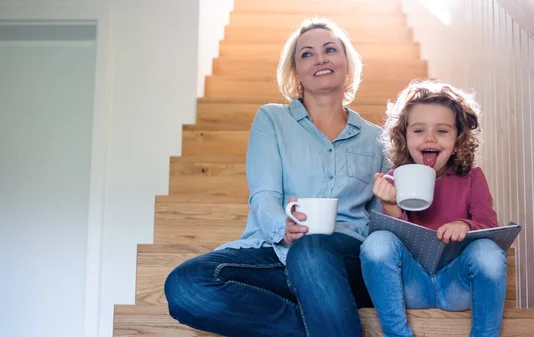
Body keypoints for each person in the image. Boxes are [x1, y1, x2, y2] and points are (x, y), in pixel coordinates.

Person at [164, 18, 388, 337]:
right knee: (187, 285)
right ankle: (328, 325)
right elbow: (263, 194)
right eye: (307, 54)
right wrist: (281, 228)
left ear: (347, 64)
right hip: (278, 253)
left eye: (330, 49)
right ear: (295, 71)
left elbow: (382, 219)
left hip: (347, 261)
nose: (320, 58)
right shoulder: (272, 119)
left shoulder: (377, 139)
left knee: (312, 251)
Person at [360, 79, 507, 337]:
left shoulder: (472, 178)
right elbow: (386, 251)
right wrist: (391, 205)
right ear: (404, 137)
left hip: (457, 285)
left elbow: (489, 228)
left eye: (442, 131)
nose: (430, 137)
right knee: (377, 242)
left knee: (488, 251)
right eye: (418, 131)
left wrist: (465, 225)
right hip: (412, 284)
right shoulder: (394, 178)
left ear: (457, 139)